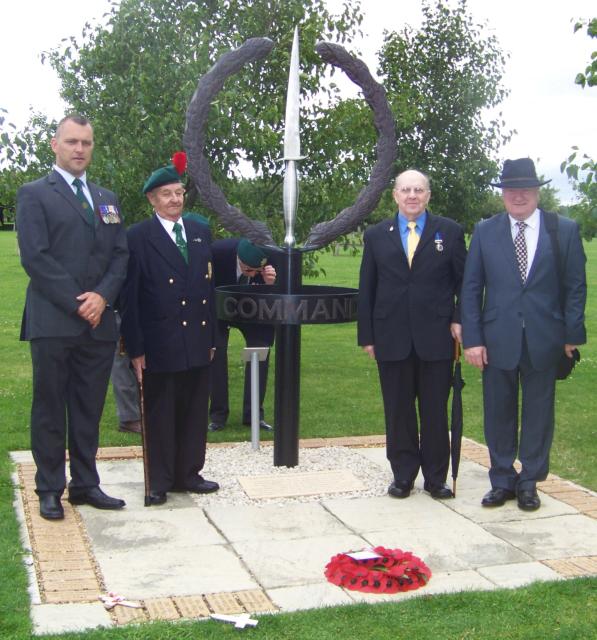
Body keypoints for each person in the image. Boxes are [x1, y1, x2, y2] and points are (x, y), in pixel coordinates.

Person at [17, 114, 129, 520]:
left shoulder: (107, 198)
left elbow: (120, 255)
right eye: (71, 142)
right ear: (55, 145)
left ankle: (85, 483)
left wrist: (102, 297)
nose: (79, 149)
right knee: (49, 406)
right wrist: (78, 301)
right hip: (54, 322)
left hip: (98, 324)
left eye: (86, 142)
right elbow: (35, 257)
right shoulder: (34, 194)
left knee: (88, 406)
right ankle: (50, 487)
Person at [461, 158, 586, 512]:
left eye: (526, 189)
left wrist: (571, 334)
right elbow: (471, 289)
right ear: (503, 194)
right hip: (496, 337)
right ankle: (501, 480)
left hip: (545, 338)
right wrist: (473, 338)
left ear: (537, 191)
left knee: (538, 413)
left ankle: (530, 480)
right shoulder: (485, 231)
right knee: (498, 411)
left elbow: (575, 287)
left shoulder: (563, 229)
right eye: (512, 189)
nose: (519, 196)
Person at [358, 169, 466, 500]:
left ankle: (436, 478)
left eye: (418, 190)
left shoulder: (449, 231)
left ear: (428, 195)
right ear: (395, 195)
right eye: (405, 190)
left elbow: (465, 281)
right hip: (391, 336)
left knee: (435, 410)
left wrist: (459, 319)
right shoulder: (377, 235)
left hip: (436, 337)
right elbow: (367, 287)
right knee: (398, 409)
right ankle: (403, 475)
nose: (412, 196)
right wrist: (367, 336)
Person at [120, 156, 219, 506]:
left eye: (179, 193)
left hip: (197, 338)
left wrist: (210, 340)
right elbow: (129, 299)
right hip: (159, 342)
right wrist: (135, 348)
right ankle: (159, 480)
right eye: (167, 194)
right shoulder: (137, 237)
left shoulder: (198, 232)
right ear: (152, 199)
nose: (175, 200)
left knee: (194, 409)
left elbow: (209, 289)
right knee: (160, 412)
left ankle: (189, 473)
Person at [208, 238, 276, 432]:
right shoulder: (217, 252)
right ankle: (218, 415)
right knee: (216, 353)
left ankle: (254, 415)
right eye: (248, 271)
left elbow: (283, 296)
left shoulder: (272, 257)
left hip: (254, 311)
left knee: (259, 351)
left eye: (257, 271)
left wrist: (270, 284)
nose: (253, 274)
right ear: (238, 258)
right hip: (220, 309)